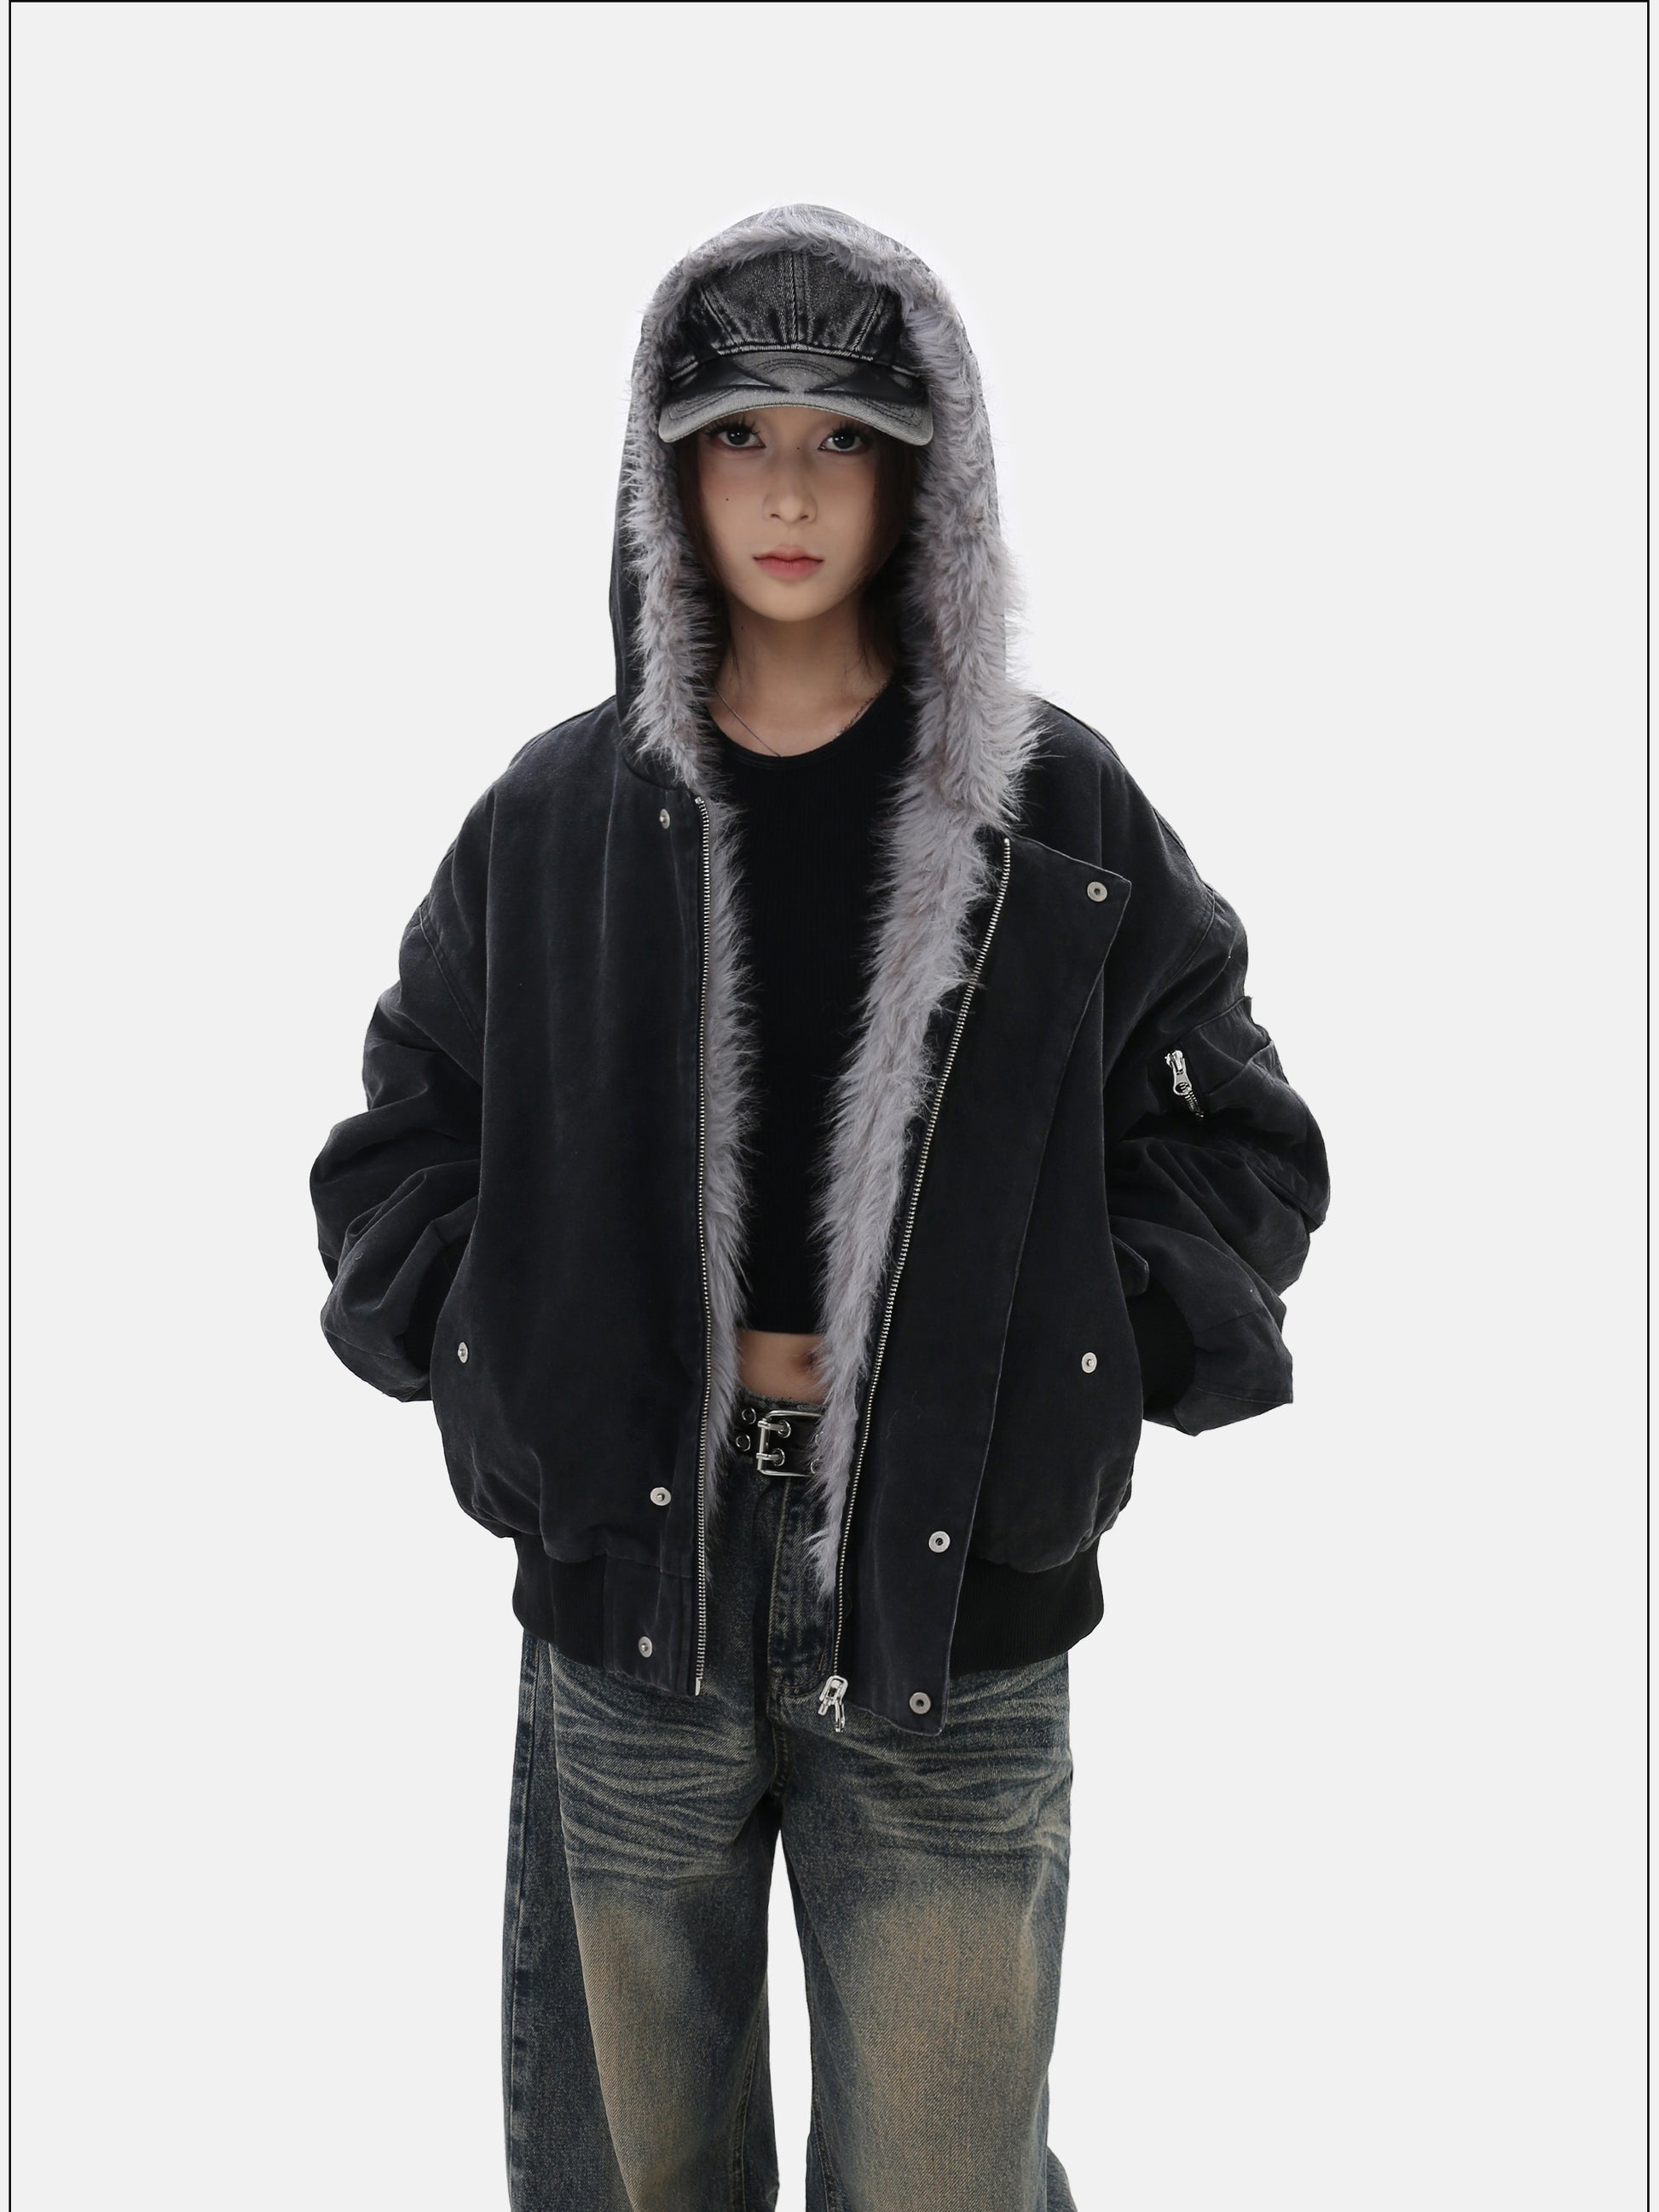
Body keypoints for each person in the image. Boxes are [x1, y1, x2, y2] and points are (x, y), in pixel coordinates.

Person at [310, 205, 1330, 2212]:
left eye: (843, 437)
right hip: (636, 1593)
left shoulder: (1058, 814)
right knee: (637, 2171)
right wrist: (510, 1371)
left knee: (946, 2176)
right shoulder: (554, 819)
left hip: (951, 1600)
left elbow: (1237, 1141)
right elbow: (402, 1141)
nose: (787, 490)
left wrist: (1066, 1375)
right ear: (666, 473)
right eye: (738, 437)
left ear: (924, 475)